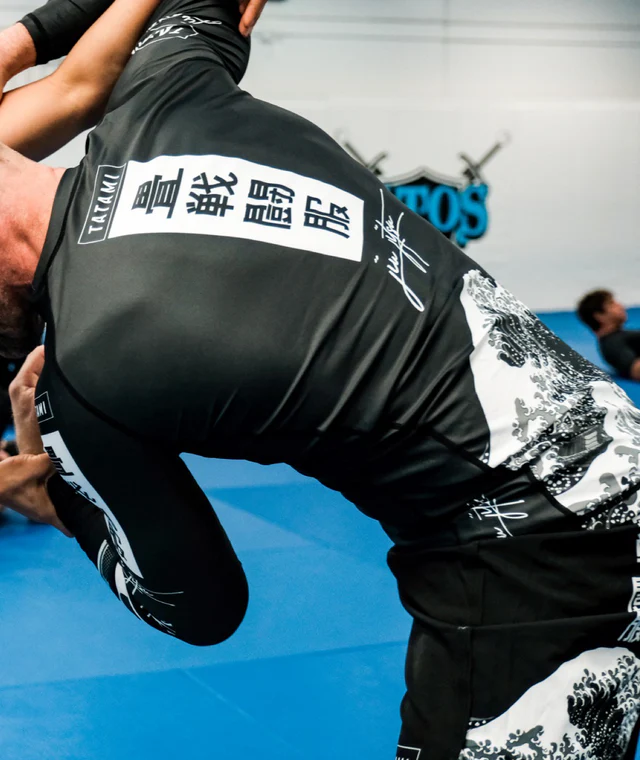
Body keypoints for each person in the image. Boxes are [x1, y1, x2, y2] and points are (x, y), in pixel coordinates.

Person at [1, 2, 640, 759]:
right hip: (613, 441)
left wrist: (60, 503)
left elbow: (198, 608)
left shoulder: (81, 382)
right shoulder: (164, 89)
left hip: (532, 557)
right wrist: (28, 36)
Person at [577, 289, 640, 381]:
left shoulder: (622, 335)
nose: (621, 306)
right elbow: (637, 371)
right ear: (599, 316)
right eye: (612, 304)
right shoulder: (612, 344)